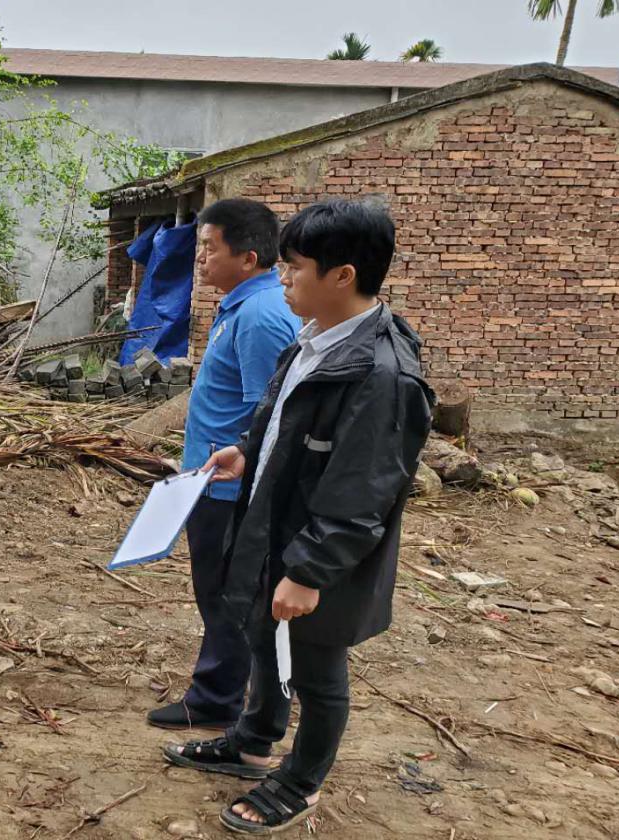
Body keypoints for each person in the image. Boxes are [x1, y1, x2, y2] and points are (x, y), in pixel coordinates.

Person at [164, 198, 434, 833]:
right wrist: (247, 454)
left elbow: (362, 492)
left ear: (342, 275)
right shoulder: (315, 339)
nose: (282, 279)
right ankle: (254, 741)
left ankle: (302, 779)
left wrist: (309, 572)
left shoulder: (383, 376)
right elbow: (285, 420)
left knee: (316, 664)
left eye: (294, 268)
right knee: (264, 636)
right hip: (276, 524)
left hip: (320, 547)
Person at [148, 199, 300, 731]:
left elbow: (271, 412)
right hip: (209, 481)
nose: (202, 259)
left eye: (210, 248)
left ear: (249, 256)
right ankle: (223, 692)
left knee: (227, 597)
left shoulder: (260, 317)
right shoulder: (240, 306)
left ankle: (216, 701)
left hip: (229, 488)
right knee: (215, 593)